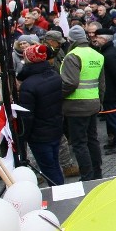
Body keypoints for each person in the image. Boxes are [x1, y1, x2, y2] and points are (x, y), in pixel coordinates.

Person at [60, 24, 106, 181]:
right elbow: (101, 84)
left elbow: (70, 83)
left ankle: (87, 176)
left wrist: (59, 96)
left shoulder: (72, 56)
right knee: (92, 139)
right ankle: (97, 172)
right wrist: (100, 101)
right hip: (93, 103)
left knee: (79, 143)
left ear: (71, 40)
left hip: (76, 105)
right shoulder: (96, 55)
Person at [18, 44, 65, 186]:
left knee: (48, 168)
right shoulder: (55, 76)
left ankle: (59, 193)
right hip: (55, 127)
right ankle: (60, 188)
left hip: (39, 134)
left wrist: (23, 136)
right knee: (54, 164)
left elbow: (27, 116)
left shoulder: (28, 85)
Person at [92, 28, 116, 155]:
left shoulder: (109, 54)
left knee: (113, 117)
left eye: (98, 37)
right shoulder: (106, 51)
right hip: (108, 90)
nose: (96, 39)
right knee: (109, 117)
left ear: (104, 39)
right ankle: (115, 140)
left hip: (109, 91)